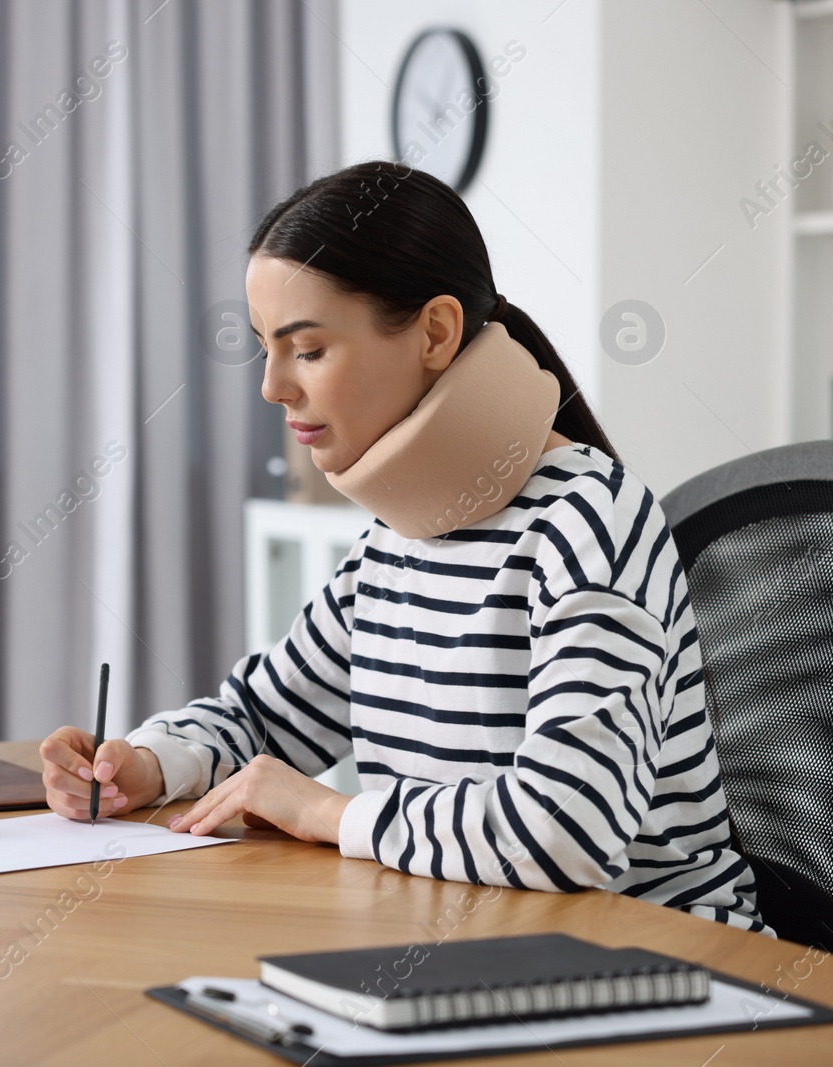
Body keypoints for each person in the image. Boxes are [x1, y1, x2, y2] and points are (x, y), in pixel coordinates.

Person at [40, 161, 768, 932]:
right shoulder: (396, 538)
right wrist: (146, 767)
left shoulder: (594, 522)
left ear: (435, 332)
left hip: (664, 963)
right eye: (265, 348)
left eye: (308, 350)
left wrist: (330, 812)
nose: (273, 387)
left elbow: (565, 828)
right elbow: (262, 715)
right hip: (468, 941)